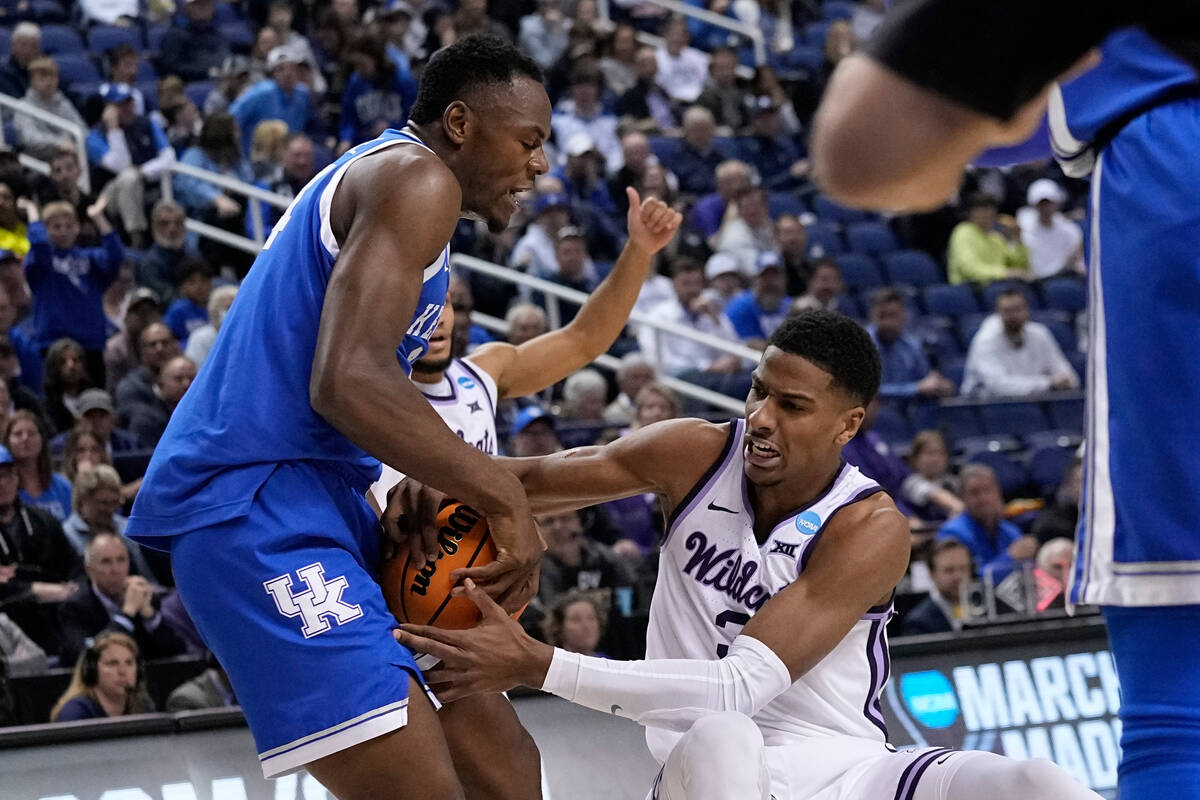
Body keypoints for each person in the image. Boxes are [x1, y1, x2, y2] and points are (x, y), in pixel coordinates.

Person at [396, 310, 1103, 800]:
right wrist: (437, 478)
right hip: (705, 767)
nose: (760, 417)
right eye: (758, 390)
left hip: (851, 774)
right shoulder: (693, 455)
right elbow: (528, 482)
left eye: (791, 406)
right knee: (728, 737)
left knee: (1041, 785)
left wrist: (536, 664)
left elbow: (741, 684)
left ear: (847, 425)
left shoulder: (867, 526)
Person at [124, 36, 560, 798]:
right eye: (528, 142)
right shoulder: (418, 178)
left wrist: (422, 474)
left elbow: (343, 387)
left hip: (325, 496)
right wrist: (501, 492)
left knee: (502, 763)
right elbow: (346, 381)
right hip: (249, 507)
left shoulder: (392, 178)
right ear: (460, 124)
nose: (539, 166)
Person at [811, 11, 1200, 798]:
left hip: (1174, 179)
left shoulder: (1135, 58)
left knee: (1175, 717)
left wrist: (993, 87)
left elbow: (871, 149)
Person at [19, 197, 123, 386]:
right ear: (46, 229)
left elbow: (115, 257)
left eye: (69, 225)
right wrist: (33, 213)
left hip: (90, 345)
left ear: (77, 227)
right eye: (56, 226)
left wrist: (98, 217)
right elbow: (40, 244)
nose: (63, 231)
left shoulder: (90, 258)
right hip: (53, 344)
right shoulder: (40, 261)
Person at [58, 532, 184, 665]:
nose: (116, 569)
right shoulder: (74, 607)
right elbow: (87, 657)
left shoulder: (143, 597)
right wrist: (127, 614)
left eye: (121, 560)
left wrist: (149, 615)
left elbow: (177, 652)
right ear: (89, 569)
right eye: (106, 562)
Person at [85, 84, 175, 249]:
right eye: (120, 105)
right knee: (128, 178)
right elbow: (121, 165)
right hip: (107, 196)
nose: (127, 109)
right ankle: (136, 238)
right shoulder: (94, 136)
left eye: (129, 103)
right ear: (108, 109)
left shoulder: (147, 123)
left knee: (133, 177)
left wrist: (143, 171)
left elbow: (169, 157)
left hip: (145, 184)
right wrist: (114, 129)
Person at [962, 287, 1079, 398]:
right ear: (998, 312)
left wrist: (1065, 381)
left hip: (1034, 400)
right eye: (1007, 311)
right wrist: (1047, 383)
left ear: (1027, 309)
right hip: (989, 405)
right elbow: (998, 386)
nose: (1013, 316)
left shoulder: (1039, 333)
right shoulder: (985, 339)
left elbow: (1067, 374)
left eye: (1017, 309)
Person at [937, 464, 1037, 584]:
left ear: (998, 492)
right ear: (962, 497)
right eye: (975, 493)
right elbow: (963, 581)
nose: (983, 498)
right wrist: (1009, 558)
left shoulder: (1011, 531)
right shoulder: (952, 533)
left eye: (988, 490)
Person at [867, 288, 956, 404]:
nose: (888, 322)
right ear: (871, 316)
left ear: (903, 316)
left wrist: (937, 385)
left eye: (893, 316)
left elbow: (924, 380)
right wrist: (915, 388)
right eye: (883, 316)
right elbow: (866, 391)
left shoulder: (912, 344)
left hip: (911, 410)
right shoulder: (861, 346)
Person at [50, 631, 154, 721]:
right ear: (91, 670)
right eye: (112, 663)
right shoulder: (75, 712)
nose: (122, 671)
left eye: (129, 663)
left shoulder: (143, 706)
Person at [946, 193, 1030, 285]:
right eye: (982, 209)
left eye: (991, 208)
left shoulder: (996, 237)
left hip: (1000, 285)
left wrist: (1016, 240)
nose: (988, 213)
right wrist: (1005, 273)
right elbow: (969, 268)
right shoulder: (963, 232)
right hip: (972, 288)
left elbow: (1019, 266)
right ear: (970, 213)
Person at [14, 57, 85, 162]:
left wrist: (71, 142)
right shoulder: (23, 106)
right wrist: (60, 143)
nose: (49, 82)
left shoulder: (63, 102)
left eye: (52, 77)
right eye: (43, 77)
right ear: (32, 81)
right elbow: (29, 138)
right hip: (37, 159)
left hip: (69, 153)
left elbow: (82, 128)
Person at [6, 410, 72, 522]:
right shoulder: (4, 489)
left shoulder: (63, 486)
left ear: (42, 439)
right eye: (18, 434)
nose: (25, 438)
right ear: (7, 441)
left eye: (31, 433)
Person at [901, 539, 972, 636]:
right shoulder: (918, 623)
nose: (958, 577)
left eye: (963, 569)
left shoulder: (984, 612)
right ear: (931, 574)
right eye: (949, 570)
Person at [1017, 179, 1084, 279]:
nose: (1045, 207)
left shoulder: (1069, 229)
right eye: (1041, 203)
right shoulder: (1024, 225)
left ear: (1056, 203)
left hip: (1063, 275)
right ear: (1034, 205)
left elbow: (1076, 254)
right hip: (1036, 279)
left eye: (1049, 203)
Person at [724, 251, 792, 350]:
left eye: (775, 277)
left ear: (784, 279)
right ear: (755, 279)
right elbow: (748, 345)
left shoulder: (791, 305)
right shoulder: (740, 307)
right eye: (765, 277)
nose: (770, 283)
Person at [126, 355, 196, 447]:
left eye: (192, 378)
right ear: (161, 383)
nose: (187, 384)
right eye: (178, 379)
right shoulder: (146, 421)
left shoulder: (205, 415)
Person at [41, 338, 94, 435]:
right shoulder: (46, 406)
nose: (71, 366)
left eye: (76, 360)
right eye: (62, 362)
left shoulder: (94, 398)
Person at [542, 589, 608, 656]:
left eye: (591, 618)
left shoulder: (610, 664)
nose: (586, 626)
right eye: (576, 619)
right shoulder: (547, 663)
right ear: (558, 627)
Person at [184, 285, 237, 367]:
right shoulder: (200, 338)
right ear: (214, 311)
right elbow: (196, 370)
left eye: (237, 308)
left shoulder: (247, 334)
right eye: (229, 308)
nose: (234, 312)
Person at [163, 260, 213, 346]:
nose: (199, 287)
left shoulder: (215, 307)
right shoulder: (177, 310)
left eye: (204, 281)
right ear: (182, 287)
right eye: (192, 282)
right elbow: (168, 340)